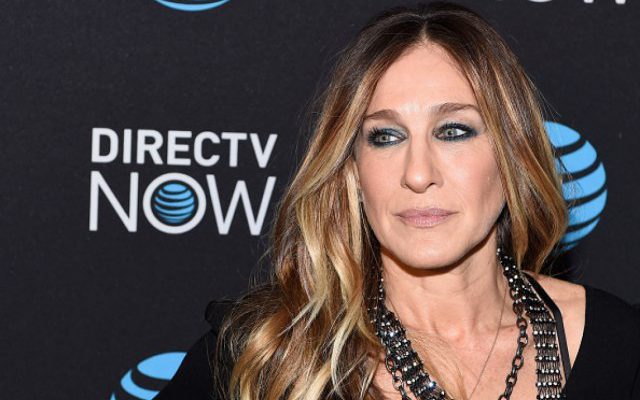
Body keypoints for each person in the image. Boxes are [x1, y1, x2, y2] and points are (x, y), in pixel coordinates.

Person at [156, 2, 640, 399]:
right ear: (352, 170)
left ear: (513, 156)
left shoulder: (616, 346)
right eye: (385, 137)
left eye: (454, 131)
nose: (418, 174)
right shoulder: (269, 357)